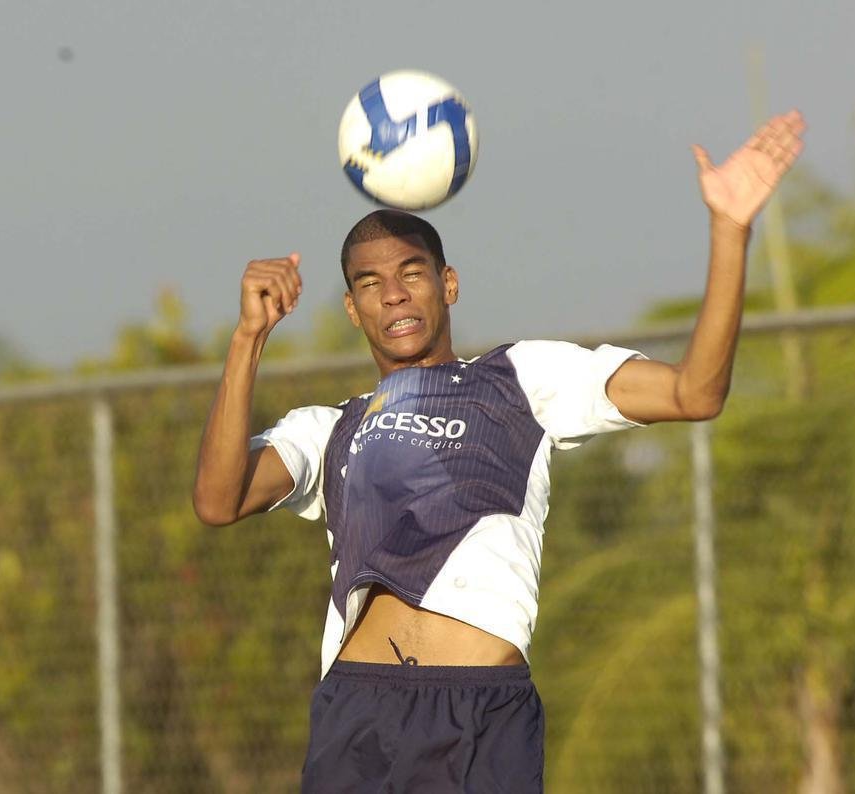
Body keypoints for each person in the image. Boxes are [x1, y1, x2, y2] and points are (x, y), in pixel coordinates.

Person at [192, 110, 805, 792]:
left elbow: (696, 393)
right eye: (370, 283)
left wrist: (729, 230)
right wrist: (249, 337)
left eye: (411, 272)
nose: (394, 292)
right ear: (352, 309)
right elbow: (218, 501)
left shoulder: (522, 378)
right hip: (361, 716)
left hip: (484, 715)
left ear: (448, 284)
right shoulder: (330, 427)